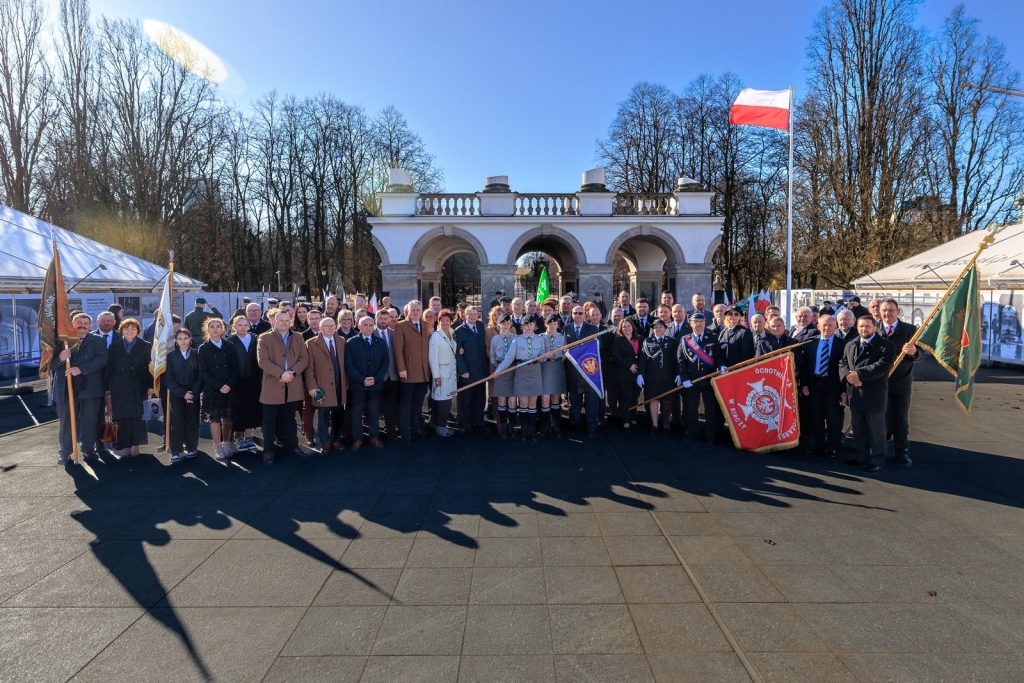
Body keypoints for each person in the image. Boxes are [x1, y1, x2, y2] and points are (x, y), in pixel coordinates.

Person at [839, 316, 893, 472]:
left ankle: (877, 460)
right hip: (855, 394)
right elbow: (842, 362)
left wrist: (858, 375)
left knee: (876, 431)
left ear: (874, 327)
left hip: (874, 394)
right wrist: (847, 376)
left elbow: (881, 366)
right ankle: (861, 456)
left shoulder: (886, 346)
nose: (864, 329)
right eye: (861, 326)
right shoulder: (850, 344)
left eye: (868, 326)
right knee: (858, 429)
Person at [54, 313, 108, 464]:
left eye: (85, 323)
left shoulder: (98, 340)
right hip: (65, 389)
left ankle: (88, 450)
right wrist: (60, 358)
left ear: (90, 326)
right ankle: (65, 452)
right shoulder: (61, 341)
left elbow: (102, 359)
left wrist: (81, 369)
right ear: (72, 324)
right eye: (79, 322)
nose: (82, 325)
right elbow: (48, 364)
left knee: (89, 421)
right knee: (66, 422)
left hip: (89, 388)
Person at [257, 309, 309, 465]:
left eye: (287, 320)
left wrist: (292, 373)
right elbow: (263, 361)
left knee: (290, 419)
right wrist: (281, 374)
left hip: (292, 384)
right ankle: (268, 451)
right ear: (274, 321)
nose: (284, 323)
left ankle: (292, 446)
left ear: (291, 321)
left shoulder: (298, 337)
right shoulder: (264, 338)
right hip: (273, 384)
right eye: (281, 320)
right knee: (269, 421)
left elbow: (303, 359)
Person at [105, 318, 153, 459]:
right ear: (121, 331)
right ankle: (124, 447)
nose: (130, 331)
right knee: (121, 418)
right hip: (119, 387)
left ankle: (135, 447)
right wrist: (107, 387)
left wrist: (150, 386)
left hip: (139, 386)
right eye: (126, 328)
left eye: (133, 328)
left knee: (138, 417)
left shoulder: (146, 345)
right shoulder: (114, 346)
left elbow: (150, 368)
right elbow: (109, 368)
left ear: (138, 331)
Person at [800, 315, 847, 459]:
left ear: (836, 326)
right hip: (814, 384)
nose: (827, 328)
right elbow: (804, 366)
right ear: (818, 326)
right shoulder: (810, 342)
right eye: (824, 325)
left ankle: (832, 447)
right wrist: (804, 384)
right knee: (816, 416)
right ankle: (818, 444)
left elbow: (845, 367)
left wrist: (844, 390)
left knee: (833, 417)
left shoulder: (843, 344)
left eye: (830, 325)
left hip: (833, 386)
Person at [878, 299, 918, 466]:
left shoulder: (910, 330)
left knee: (901, 420)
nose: (887, 313)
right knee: (881, 418)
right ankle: (879, 451)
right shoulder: (874, 329)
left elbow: (920, 354)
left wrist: (914, 351)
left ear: (898, 311)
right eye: (884, 310)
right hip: (879, 383)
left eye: (891, 310)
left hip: (901, 383)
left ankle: (902, 453)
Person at [493, 316, 546, 441]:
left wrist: (544, 356)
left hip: (535, 372)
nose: (529, 327)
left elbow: (542, 359)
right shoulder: (516, 340)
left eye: (531, 324)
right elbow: (508, 359)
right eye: (526, 325)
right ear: (522, 327)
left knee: (532, 403)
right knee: (523, 403)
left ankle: (532, 431)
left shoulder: (540, 339)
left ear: (535, 326)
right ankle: (524, 430)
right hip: (521, 372)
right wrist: (498, 371)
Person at [304, 315, 348, 453]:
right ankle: (325, 442)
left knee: (338, 415)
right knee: (323, 417)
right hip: (322, 386)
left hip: (339, 385)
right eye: (327, 326)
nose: (330, 328)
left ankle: (335, 440)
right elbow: (309, 368)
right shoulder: (311, 343)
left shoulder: (341, 340)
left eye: (332, 326)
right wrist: (312, 386)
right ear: (320, 328)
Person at [197, 317, 238, 461]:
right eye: (212, 326)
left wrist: (229, 384)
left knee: (228, 418)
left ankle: (227, 444)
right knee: (214, 419)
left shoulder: (230, 346)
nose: (215, 329)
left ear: (223, 329)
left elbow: (235, 368)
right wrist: (219, 386)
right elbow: (203, 372)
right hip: (212, 389)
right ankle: (218, 446)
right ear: (207, 329)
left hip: (229, 388)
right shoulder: (203, 348)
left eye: (218, 326)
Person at [677, 312, 722, 442]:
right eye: (696, 322)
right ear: (691, 324)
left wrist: (722, 365)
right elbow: (680, 361)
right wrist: (684, 378)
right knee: (691, 408)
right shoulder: (685, 340)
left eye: (701, 322)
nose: (699, 324)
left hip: (709, 379)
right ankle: (692, 433)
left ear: (705, 323)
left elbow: (718, 356)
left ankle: (710, 435)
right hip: (692, 381)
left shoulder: (712, 338)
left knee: (710, 409)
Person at [345, 315, 389, 449]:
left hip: (375, 385)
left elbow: (385, 362)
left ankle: (374, 437)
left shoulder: (380, 342)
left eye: (370, 325)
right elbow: (349, 365)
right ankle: (357, 439)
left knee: (374, 412)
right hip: (357, 385)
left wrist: (376, 378)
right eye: (365, 325)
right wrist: (362, 379)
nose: (368, 328)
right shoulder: (351, 342)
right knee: (356, 413)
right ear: (358, 326)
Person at [394, 299, 432, 441]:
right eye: (413, 310)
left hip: (423, 372)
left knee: (418, 404)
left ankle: (416, 428)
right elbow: (398, 350)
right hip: (408, 372)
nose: (415, 312)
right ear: (407, 311)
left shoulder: (427, 325)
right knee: (406, 404)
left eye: (418, 310)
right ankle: (405, 432)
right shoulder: (401, 326)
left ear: (421, 311)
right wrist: (401, 368)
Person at [637, 318, 679, 434]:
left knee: (667, 401)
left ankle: (665, 424)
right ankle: (654, 425)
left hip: (668, 377)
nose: (658, 329)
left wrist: (678, 373)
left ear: (665, 328)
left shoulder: (672, 341)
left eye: (660, 327)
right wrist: (640, 374)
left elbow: (677, 359)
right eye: (655, 327)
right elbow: (643, 359)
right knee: (653, 400)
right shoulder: (647, 341)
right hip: (652, 377)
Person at [165, 329, 200, 463]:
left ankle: (191, 448)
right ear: (176, 340)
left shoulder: (197, 354)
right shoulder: (171, 356)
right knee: (177, 422)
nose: (183, 341)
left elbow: (200, 375)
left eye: (185, 338)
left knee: (192, 421)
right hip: (177, 394)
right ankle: (176, 450)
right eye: (180, 338)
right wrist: (182, 392)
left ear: (190, 339)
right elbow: (169, 378)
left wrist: (193, 392)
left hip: (193, 393)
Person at [565, 305, 600, 435]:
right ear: (572, 315)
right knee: (574, 401)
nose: (578, 315)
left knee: (591, 401)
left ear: (585, 315)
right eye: (575, 313)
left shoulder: (592, 329)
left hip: (589, 371)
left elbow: (597, 348)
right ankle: (575, 425)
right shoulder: (566, 329)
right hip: (573, 371)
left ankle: (592, 426)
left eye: (580, 313)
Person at [228, 316, 262, 451]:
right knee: (238, 410)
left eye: (245, 325)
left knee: (251, 408)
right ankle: (239, 437)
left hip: (253, 380)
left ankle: (248, 436)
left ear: (248, 326)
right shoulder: (230, 341)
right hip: (237, 381)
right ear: (234, 326)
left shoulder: (255, 339)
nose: (243, 327)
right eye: (239, 325)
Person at [454, 305, 489, 435]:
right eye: (470, 314)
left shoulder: (480, 326)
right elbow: (457, 353)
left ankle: (479, 423)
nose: (473, 316)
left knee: (480, 400)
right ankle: (465, 425)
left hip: (481, 371)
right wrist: (463, 371)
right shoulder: (459, 330)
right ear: (465, 315)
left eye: (475, 314)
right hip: (468, 372)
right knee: (466, 401)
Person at [428, 310, 459, 437]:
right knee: (442, 402)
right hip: (441, 374)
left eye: (447, 320)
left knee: (448, 400)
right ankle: (440, 428)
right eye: (442, 320)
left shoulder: (452, 333)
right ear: (438, 321)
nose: (445, 322)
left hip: (451, 373)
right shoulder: (436, 336)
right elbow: (432, 358)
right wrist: (436, 376)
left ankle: (441, 425)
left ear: (451, 321)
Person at [489, 314, 518, 438]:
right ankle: (503, 426)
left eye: (507, 323)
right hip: (500, 371)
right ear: (498, 324)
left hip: (513, 370)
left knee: (512, 399)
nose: (505, 325)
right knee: (501, 399)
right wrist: (498, 367)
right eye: (503, 323)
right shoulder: (495, 339)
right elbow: (492, 357)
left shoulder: (515, 338)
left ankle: (512, 426)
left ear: (510, 324)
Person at [611, 318, 641, 429]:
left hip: (637, 373)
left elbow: (643, 354)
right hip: (623, 373)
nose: (627, 328)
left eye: (629, 326)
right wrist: (629, 366)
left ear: (632, 327)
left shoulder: (639, 339)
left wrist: (638, 366)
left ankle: (633, 417)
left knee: (635, 397)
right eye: (624, 326)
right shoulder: (618, 340)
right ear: (621, 328)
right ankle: (626, 420)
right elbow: (616, 355)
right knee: (625, 397)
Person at [539, 314, 567, 435]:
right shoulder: (541, 337)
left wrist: (559, 357)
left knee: (555, 398)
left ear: (557, 325)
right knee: (545, 398)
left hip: (557, 367)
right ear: (546, 324)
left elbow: (565, 353)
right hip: (545, 367)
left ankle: (555, 425)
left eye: (555, 324)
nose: (552, 326)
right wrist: (545, 357)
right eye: (550, 323)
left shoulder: (562, 337)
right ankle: (545, 426)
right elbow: (538, 354)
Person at [375, 309, 400, 439]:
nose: (383, 321)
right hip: (377, 377)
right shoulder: (371, 333)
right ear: (376, 319)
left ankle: (391, 432)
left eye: (386, 319)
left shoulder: (394, 334)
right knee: (374, 407)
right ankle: (375, 434)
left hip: (392, 376)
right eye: (381, 318)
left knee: (391, 406)